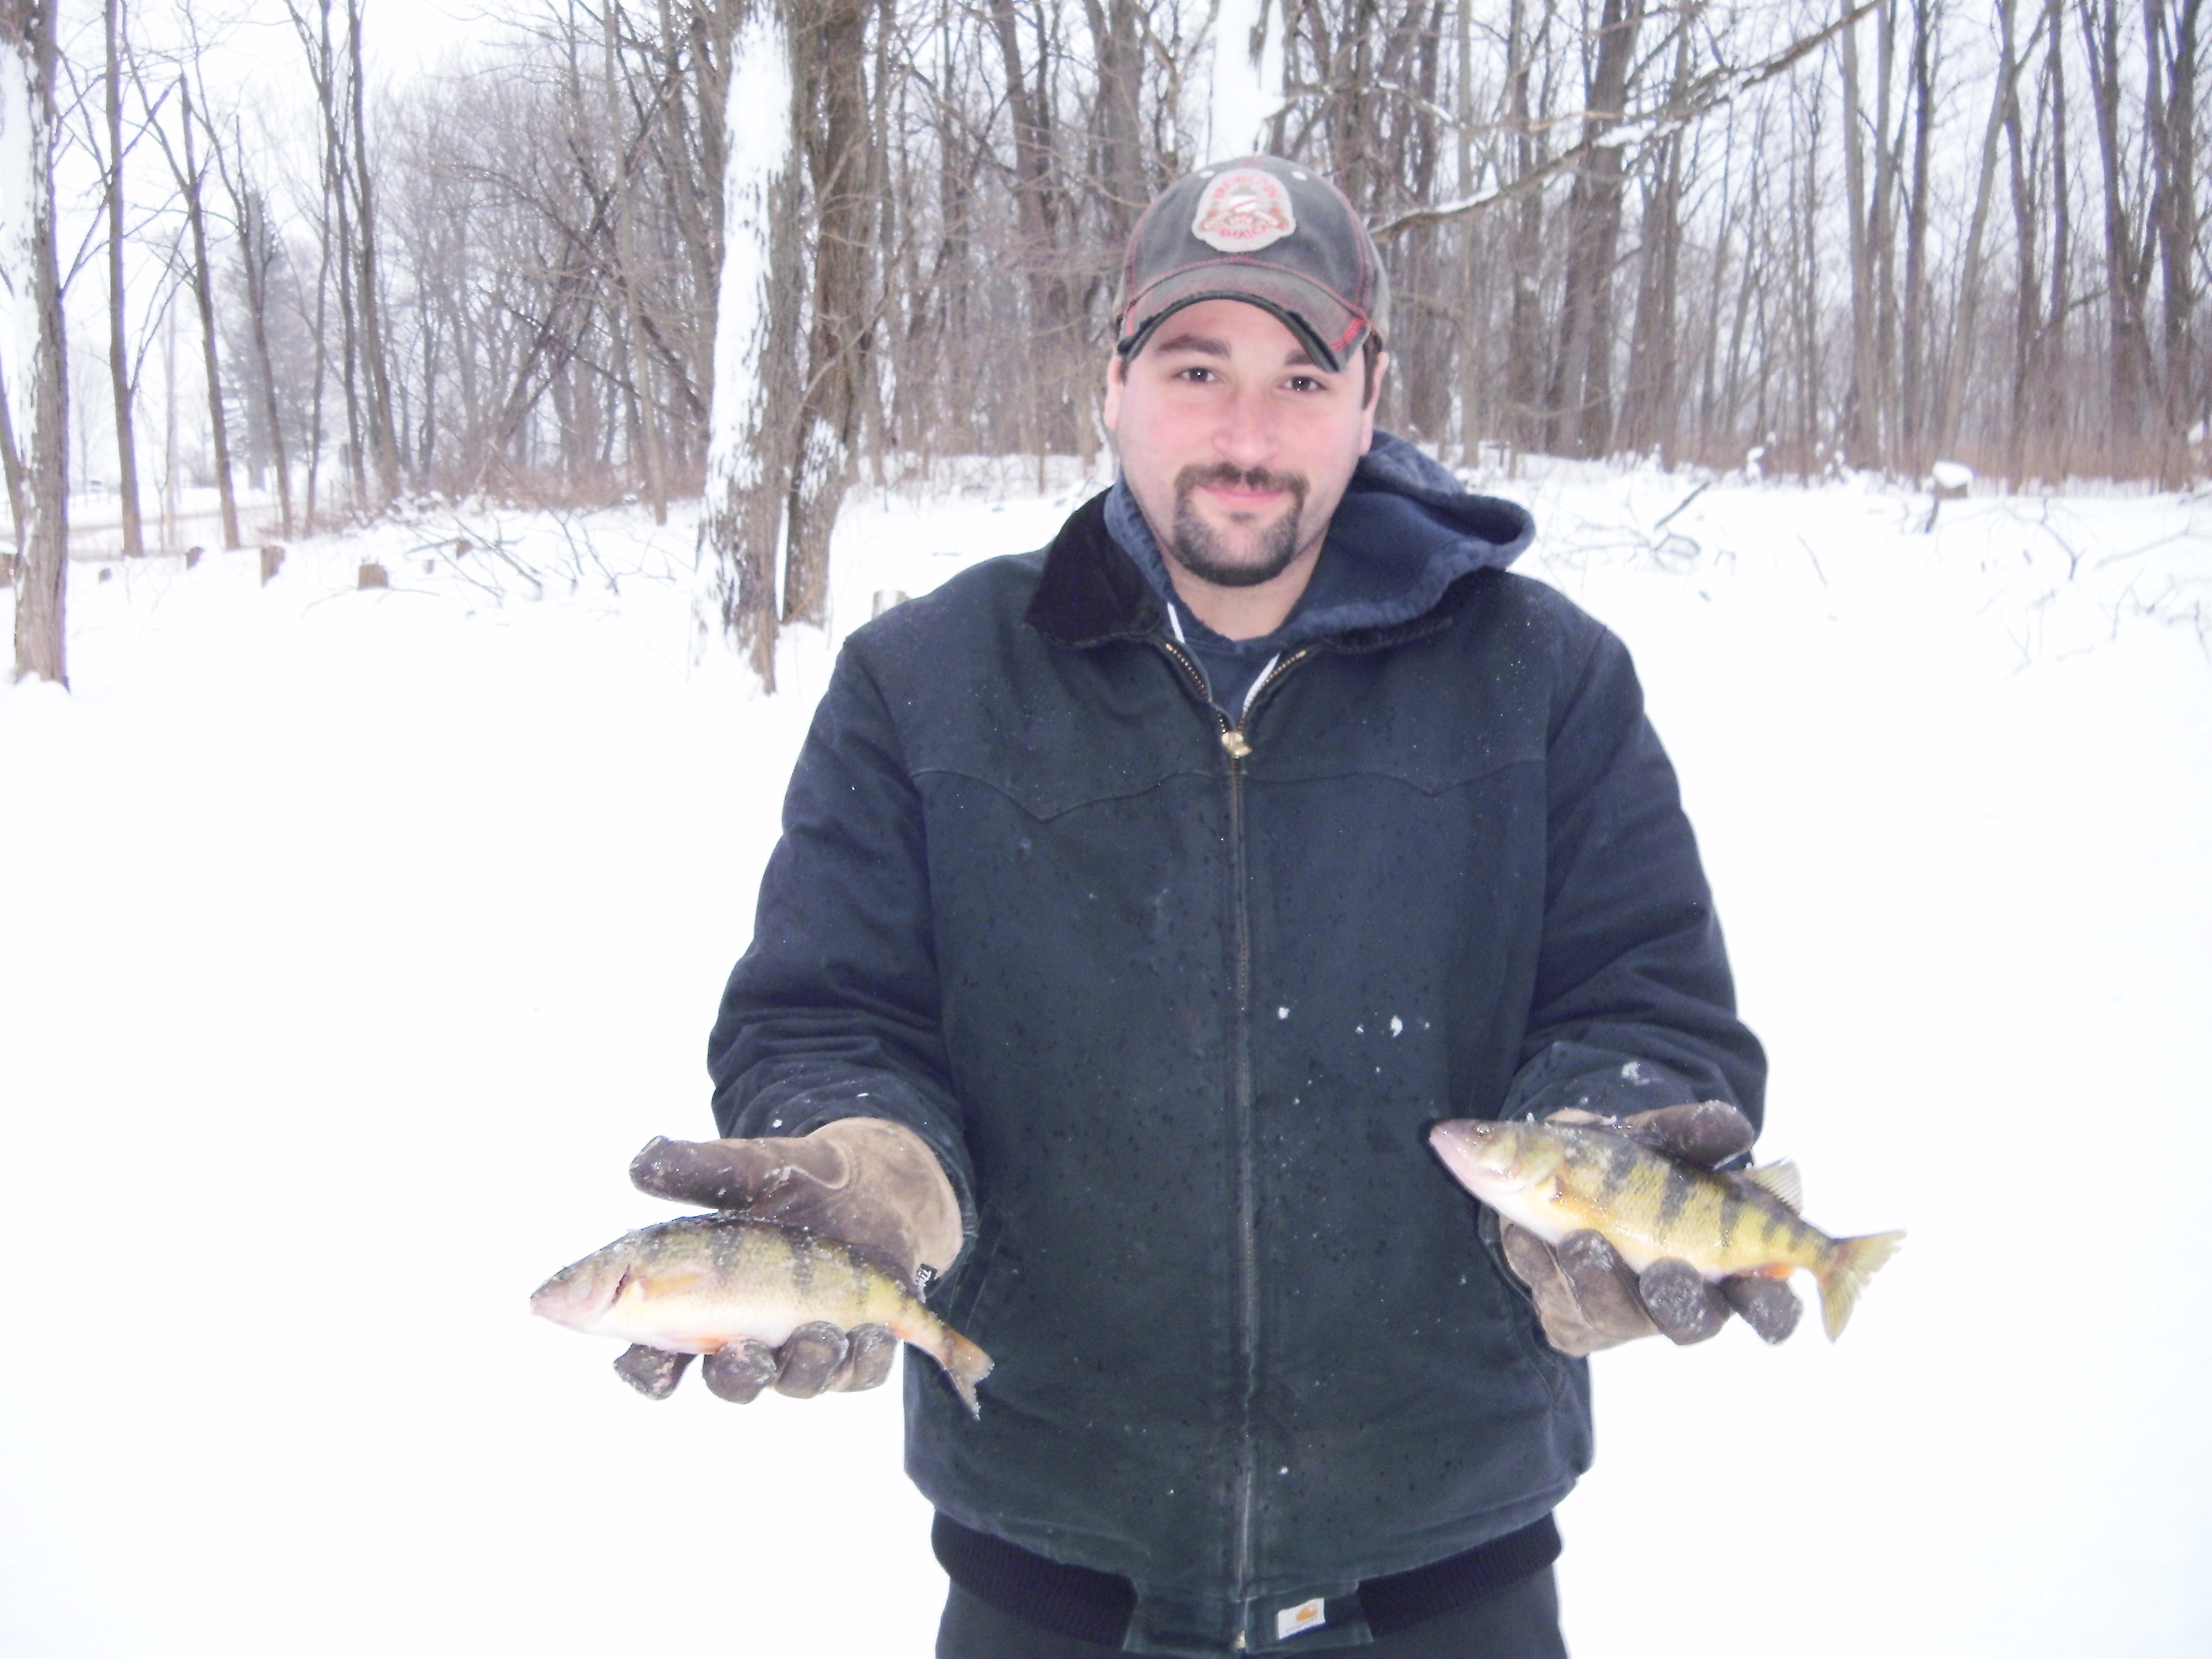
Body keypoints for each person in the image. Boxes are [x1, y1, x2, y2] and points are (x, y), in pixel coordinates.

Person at [624, 156, 1783, 1657]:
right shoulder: (928, 686)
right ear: (1110, 384)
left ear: (1372, 397)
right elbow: (828, 1014)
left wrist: (1609, 1147)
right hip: (1052, 1557)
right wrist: (871, 1163)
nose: (1247, 433)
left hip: (1450, 1556)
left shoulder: (1544, 682)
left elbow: (1645, 1003)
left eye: (1302, 374)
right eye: (1194, 366)